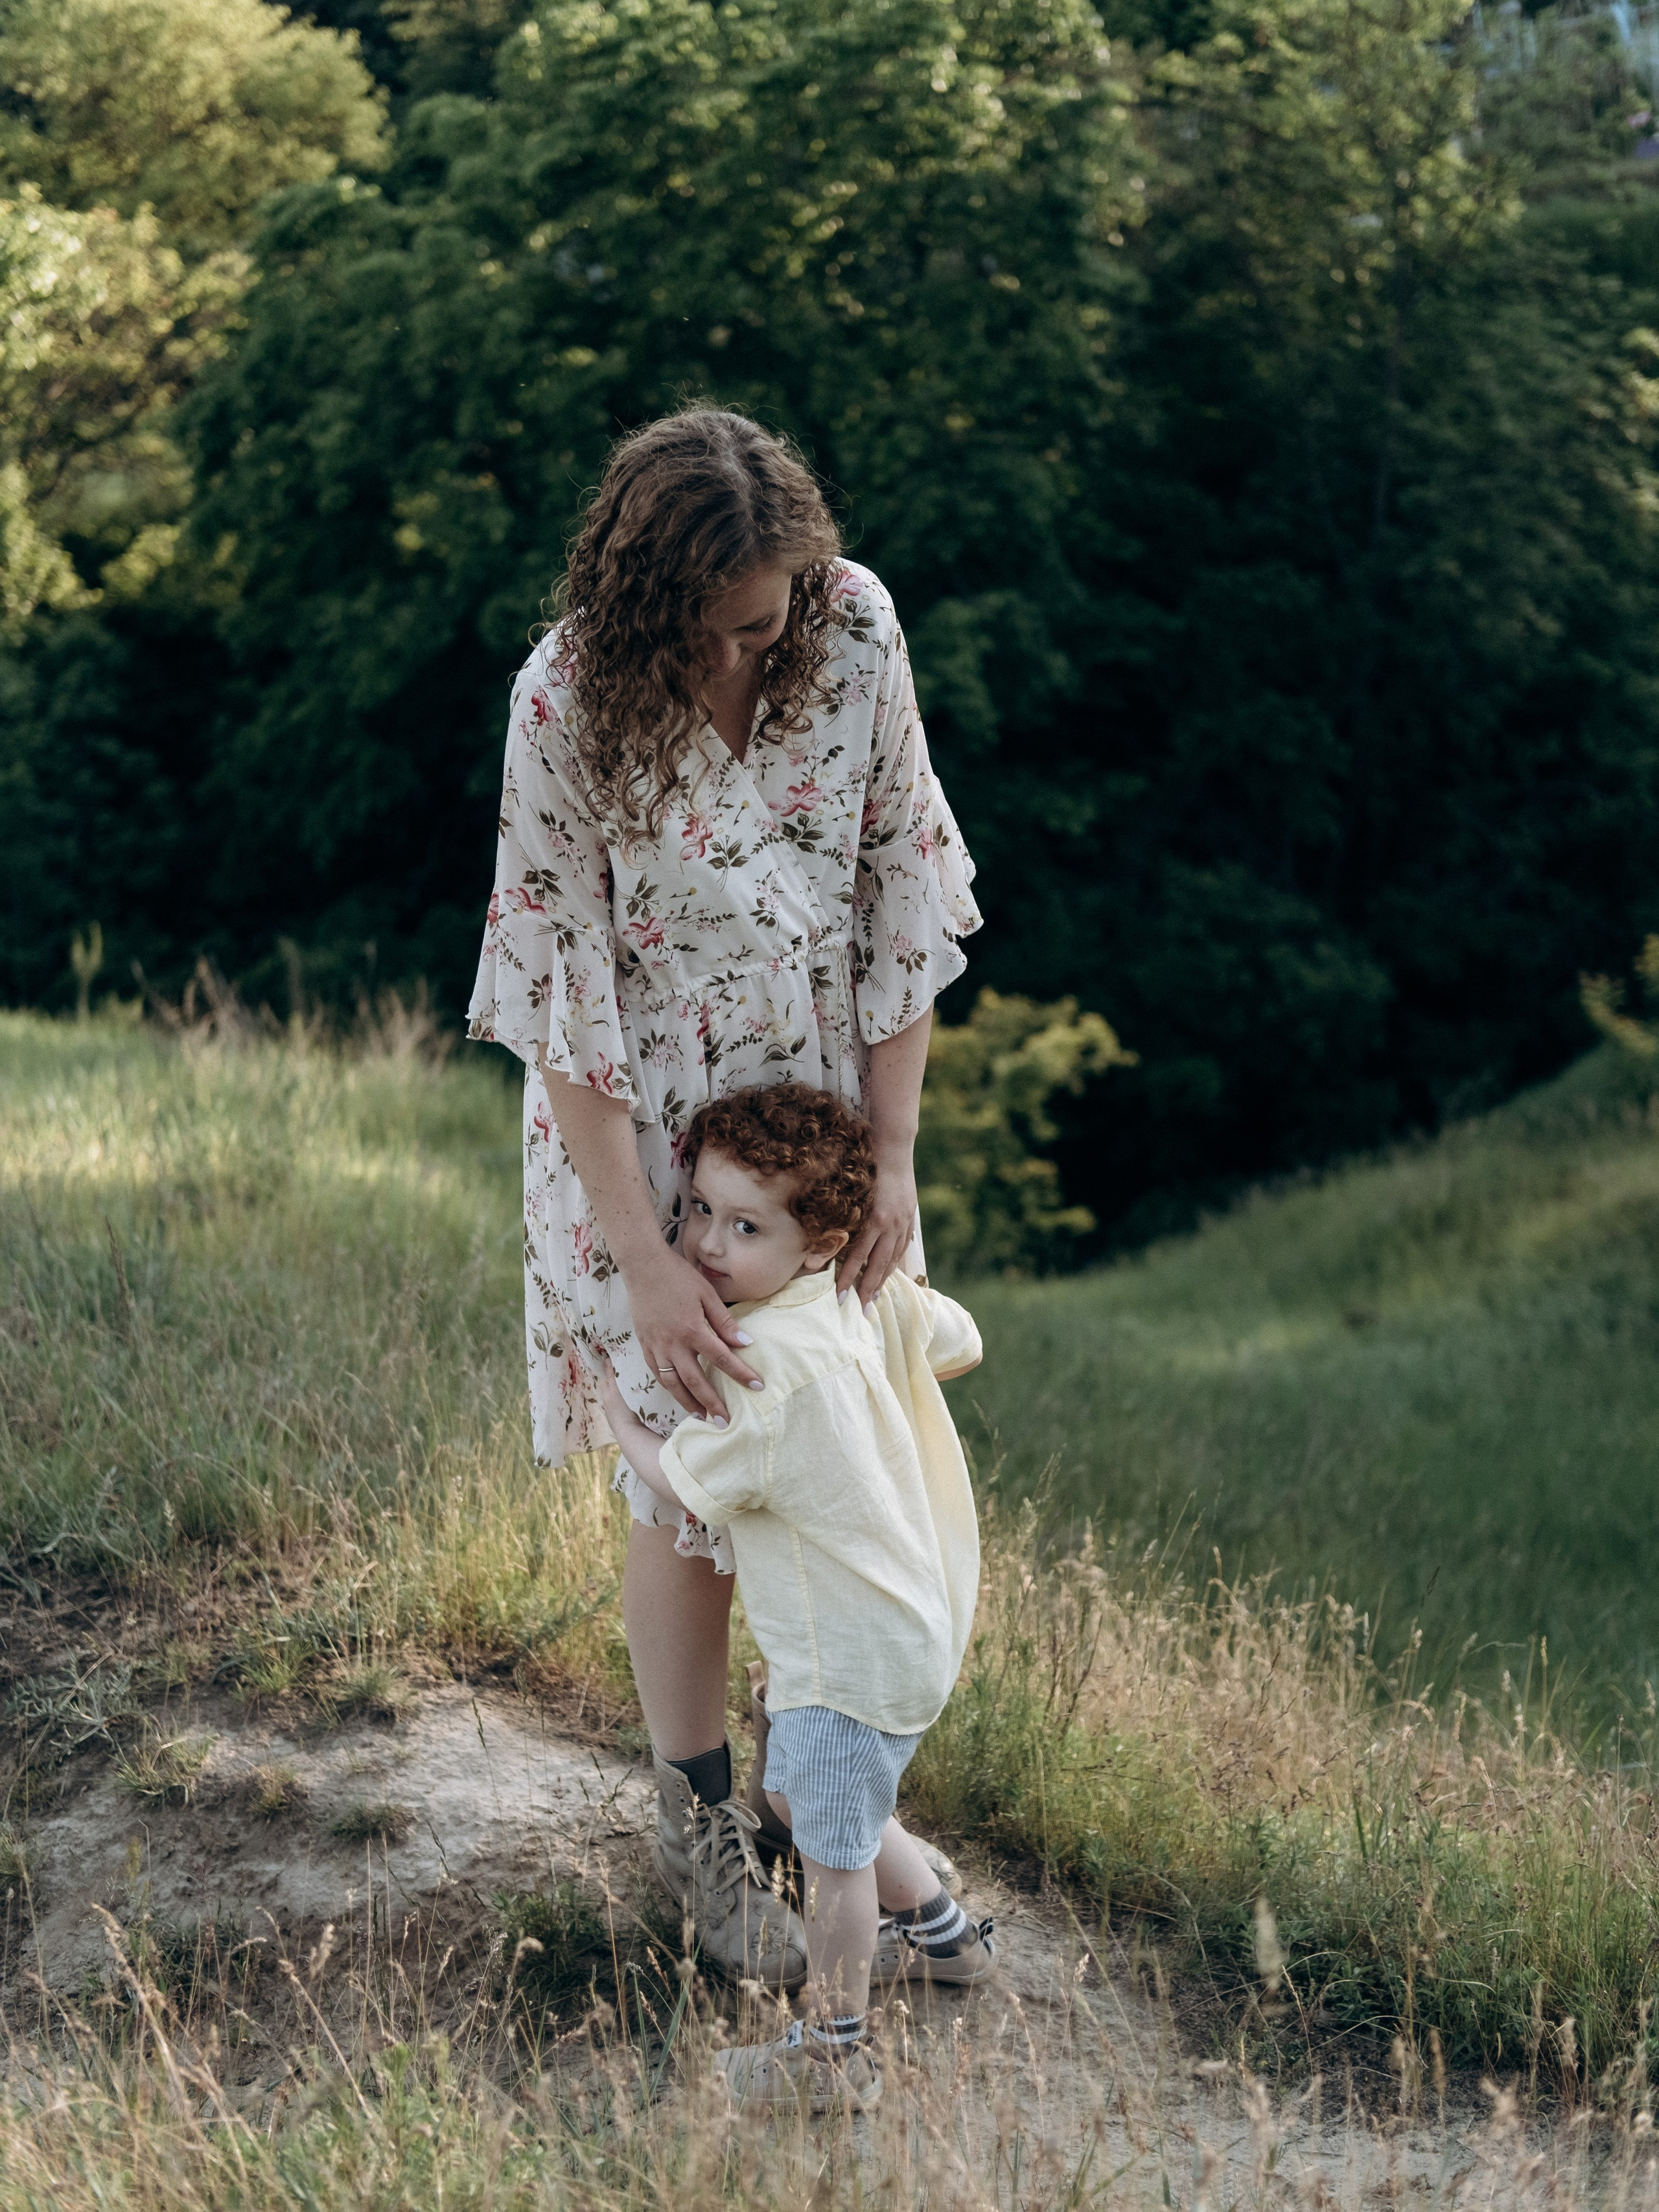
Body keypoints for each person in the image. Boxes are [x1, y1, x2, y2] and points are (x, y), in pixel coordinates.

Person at [467, 406, 982, 1988]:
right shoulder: (565, 696)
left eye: (763, 611)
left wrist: (888, 1154)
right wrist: (640, 1256)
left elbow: (903, 889)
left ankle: (828, 1803)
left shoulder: (854, 630)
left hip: (813, 1141)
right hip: (647, 1158)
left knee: (832, 1452)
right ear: (642, 604)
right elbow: (551, 985)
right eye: (709, 626)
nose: (745, 644)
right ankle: (699, 1828)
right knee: (689, 1489)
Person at [594, 1085, 994, 2115]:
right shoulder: (860, 1295)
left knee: (833, 1858)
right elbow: (960, 1337)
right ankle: (947, 1941)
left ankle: (834, 2050)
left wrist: (618, 1417)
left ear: (820, 1239)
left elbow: (687, 1482)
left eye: (745, 1225)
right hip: (906, 1630)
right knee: (819, 1799)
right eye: (700, 1211)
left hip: (848, 1665)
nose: (709, 1244)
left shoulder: (765, 1368)